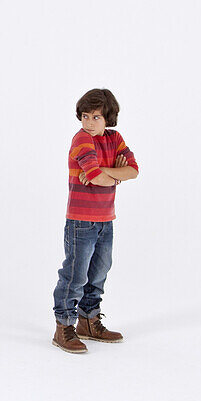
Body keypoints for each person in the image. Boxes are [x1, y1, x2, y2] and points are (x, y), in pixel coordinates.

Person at [51, 88, 140, 354]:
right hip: (81, 222)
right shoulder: (82, 139)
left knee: (99, 273)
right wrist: (114, 175)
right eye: (85, 116)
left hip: (105, 220)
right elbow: (95, 175)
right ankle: (63, 326)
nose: (89, 123)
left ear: (108, 118)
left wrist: (107, 174)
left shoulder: (115, 139)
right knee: (74, 275)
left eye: (96, 117)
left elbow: (133, 170)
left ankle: (89, 322)